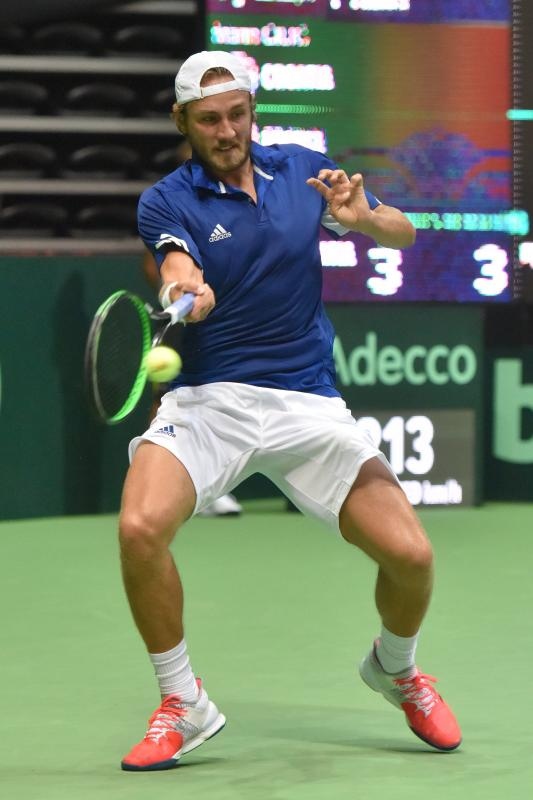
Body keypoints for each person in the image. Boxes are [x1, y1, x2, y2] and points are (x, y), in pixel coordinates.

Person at [119, 50, 461, 771]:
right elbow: (177, 267)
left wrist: (364, 217)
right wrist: (186, 293)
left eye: (236, 114)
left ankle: (395, 669)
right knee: (140, 527)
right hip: (210, 400)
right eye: (208, 120)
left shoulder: (304, 172)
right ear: (182, 121)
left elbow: (402, 232)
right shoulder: (166, 200)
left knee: (411, 557)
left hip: (307, 400)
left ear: (253, 111)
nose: (226, 131)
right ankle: (182, 701)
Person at [142, 245, 243, 518]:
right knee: (164, 398)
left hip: (218, 317)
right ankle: (162, 487)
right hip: (181, 316)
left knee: (217, 395)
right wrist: (178, 298)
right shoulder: (166, 222)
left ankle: (210, 487)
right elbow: (152, 265)